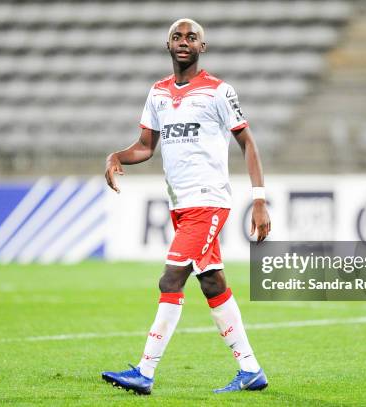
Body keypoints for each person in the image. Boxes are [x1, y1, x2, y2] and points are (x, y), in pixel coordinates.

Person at [102, 18, 271, 395]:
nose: (183, 42)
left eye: (191, 37)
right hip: (181, 205)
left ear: (202, 47)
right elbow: (146, 146)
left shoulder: (218, 91)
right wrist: (116, 156)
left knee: (170, 279)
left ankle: (144, 372)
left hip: (208, 202)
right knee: (211, 282)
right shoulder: (158, 93)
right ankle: (251, 370)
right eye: (176, 37)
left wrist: (259, 200)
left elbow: (248, 144)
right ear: (167, 46)